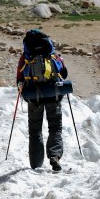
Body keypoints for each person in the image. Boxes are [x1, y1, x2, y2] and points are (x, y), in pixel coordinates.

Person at [16, 29, 68, 171]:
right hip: (54, 95)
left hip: (34, 97)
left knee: (35, 131)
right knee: (55, 128)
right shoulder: (52, 54)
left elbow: (19, 79)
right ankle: (54, 156)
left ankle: (36, 165)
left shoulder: (25, 57)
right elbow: (64, 73)